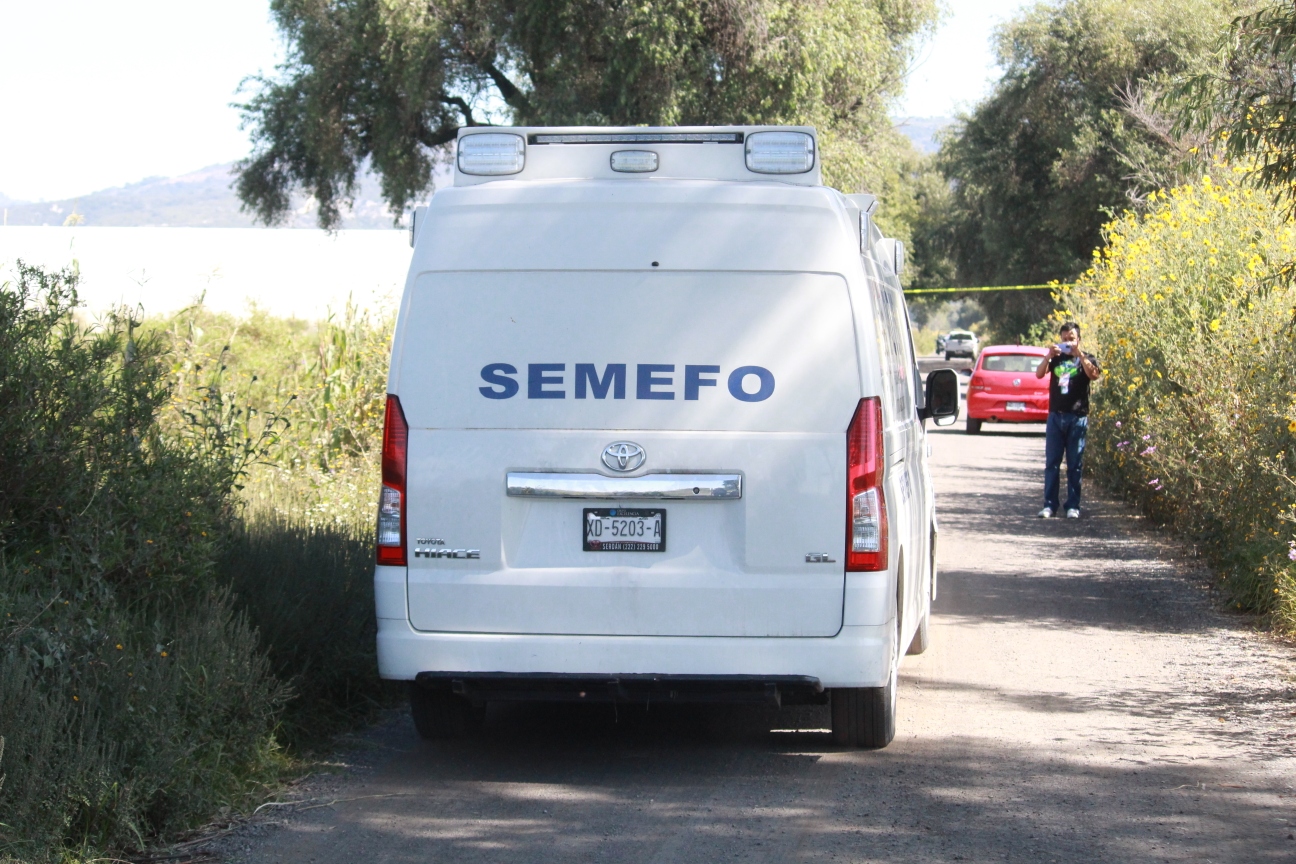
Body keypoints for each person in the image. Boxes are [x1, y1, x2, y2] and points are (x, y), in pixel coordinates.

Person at [1034, 322, 1101, 518]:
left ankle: (1073, 505)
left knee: (1075, 464)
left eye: (1071, 338)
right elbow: (1038, 374)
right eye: (1064, 339)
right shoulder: (1056, 359)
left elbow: (1094, 375)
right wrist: (1048, 356)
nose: (1067, 342)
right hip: (1056, 416)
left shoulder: (1087, 358)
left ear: (1078, 339)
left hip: (1077, 417)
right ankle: (1049, 505)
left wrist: (1079, 355)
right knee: (1052, 463)